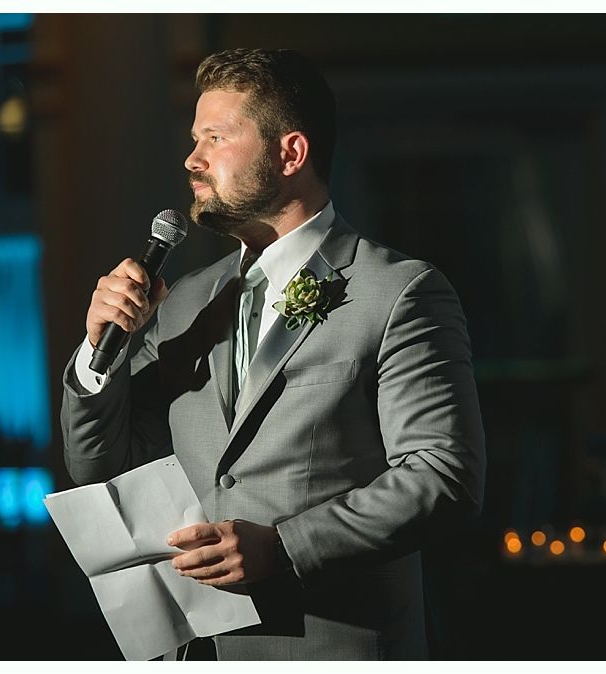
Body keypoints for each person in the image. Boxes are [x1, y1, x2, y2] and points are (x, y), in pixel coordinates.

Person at [60, 47, 486, 660]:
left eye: (215, 137)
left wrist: (284, 546)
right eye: (192, 138)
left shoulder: (398, 292)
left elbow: (444, 478)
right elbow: (100, 464)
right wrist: (99, 351)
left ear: (290, 153)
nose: (192, 159)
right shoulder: (185, 302)